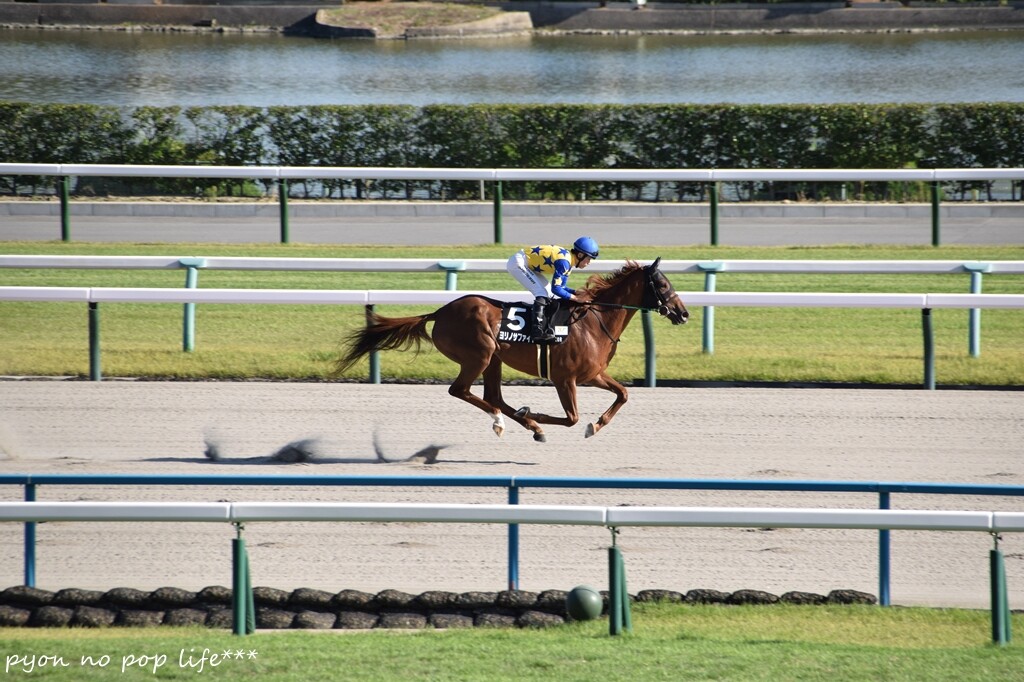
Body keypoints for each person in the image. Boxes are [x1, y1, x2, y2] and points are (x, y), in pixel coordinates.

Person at [506, 236, 599, 342]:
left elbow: (561, 288)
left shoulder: (569, 262)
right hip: (518, 263)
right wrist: (576, 298)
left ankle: (545, 326)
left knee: (548, 293)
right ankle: (536, 331)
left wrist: (576, 292)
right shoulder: (564, 263)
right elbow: (556, 289)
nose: (589, 262)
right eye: (589, 258)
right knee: (541, 292)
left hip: (526, 264)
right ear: (580, 255)